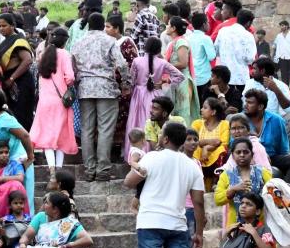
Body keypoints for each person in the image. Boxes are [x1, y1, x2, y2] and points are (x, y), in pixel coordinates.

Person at [124, 122, 204, 248]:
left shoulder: (151, 157)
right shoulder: (192, 166)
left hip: (150, 223)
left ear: (165, 138)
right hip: (177, 225)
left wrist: (137, 168)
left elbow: (128, 182)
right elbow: (199, 203)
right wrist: (199, 232)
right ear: (183, 141)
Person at [70, 12, 129, 182]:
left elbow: (72, 66)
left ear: (88, 24)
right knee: (105, 129)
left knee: (87, 130)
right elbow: (122, 64)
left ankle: (89, 169)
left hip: (85, 88)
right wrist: (126, 84)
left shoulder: (78, 42)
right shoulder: (109, 41)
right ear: (103, 25)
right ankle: (103, 169)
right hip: (106, 88)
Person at [28, 27, 79, 187]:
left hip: (45, 101)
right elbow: (70, 77)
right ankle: (58, 172)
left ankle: (51, 174)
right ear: (65, 40)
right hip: (60, 101)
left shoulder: (44, 54)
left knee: (48, 138)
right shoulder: (65, 54)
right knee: (61, 136)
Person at [127, 37, 184, 155]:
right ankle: (153, 150)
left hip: (138, 94)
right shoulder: (162, 62)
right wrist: (165, 82)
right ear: (159, 49)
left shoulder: (137, 61)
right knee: (151, 122)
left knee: (137, 121)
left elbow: (131, 80)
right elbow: (180, 76)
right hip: (155, 94)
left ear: (145, 47)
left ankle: (136, 152)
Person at [242, 89, 290, 187]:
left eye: (250, 103)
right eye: (246, 101)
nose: (245, 105)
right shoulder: (240, 119)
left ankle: (285, 194)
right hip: (247, 158)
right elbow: (234, 145)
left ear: (260, 106)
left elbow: (283, 149)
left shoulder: (276, 120)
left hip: (271, 157)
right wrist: (259, 153)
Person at [0, 13, 37, 130]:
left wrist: (12, 78)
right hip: (8, 81)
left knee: (22, 114)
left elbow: (27, 60)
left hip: (21, 81)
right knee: (11, 113)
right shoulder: (4, 41)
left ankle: (25, 144)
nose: (1, 28)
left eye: (4, 26)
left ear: (12, 26)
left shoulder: (19, 41)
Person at [192, 97, 230, 191]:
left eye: (205, 108)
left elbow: (223, 143)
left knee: (222, 149)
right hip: (200, 158)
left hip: (215, 159)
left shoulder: (224, 124)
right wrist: (209, 142)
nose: (201, 110)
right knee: (193, 147)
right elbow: (192, 140)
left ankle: (216, 181)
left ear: (213, 112)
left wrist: (206, 148)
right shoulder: (197, 124)